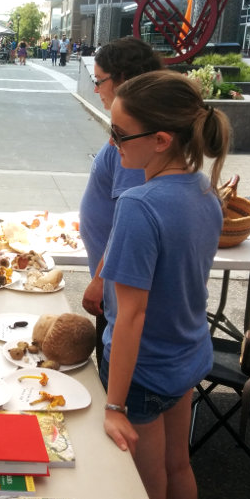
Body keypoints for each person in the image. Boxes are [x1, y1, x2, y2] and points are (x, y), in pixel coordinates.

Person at [99, 69, 230, 499]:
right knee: (180, 467)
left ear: (159, 140)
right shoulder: (204, 189)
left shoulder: (139, 203)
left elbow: (131, 314)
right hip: (188, 355)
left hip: (145, 371)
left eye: (117, 133)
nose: (112, 143)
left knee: (148, 496)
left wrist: (113, 405)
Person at [80, 37, 164, 368]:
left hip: (117, 289)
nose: (97, 89)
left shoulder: (134, 141)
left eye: (100, 80)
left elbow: (126, 221)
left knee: (114, 373)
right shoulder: (132, 133)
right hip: (115, 285)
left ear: (123, 78)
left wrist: (100, 281)